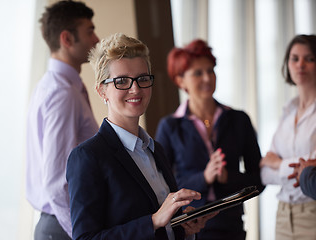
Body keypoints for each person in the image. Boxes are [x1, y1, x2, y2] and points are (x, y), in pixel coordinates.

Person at [66, 33, 217, 240]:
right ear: (102, 91)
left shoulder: (155, 149)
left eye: (143, 79)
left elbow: (162, 227)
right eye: (121, 81)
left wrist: (182, 226)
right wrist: (154, 221)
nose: (135, 88)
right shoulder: (87, 157)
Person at [155, 39, 264, 240]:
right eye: (198, 73)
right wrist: (203, 178)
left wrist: (227, 177)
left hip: (232, 228)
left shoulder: (239, 120)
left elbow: (259, 180)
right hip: (189, 228)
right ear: (180, 81)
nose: (207, 78)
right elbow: (161, 187)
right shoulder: (169, 127)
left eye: (211, 70)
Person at [26, 1, 99, 239]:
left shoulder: (52, 86)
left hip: (59, 224)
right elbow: (57, 181)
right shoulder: (62, 93)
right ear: (67, 39)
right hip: (63, 227)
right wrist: (82, 234)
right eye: (89, 31)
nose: (96, 39)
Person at [260, 34, 316, 239]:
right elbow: (265, 172)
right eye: (294, 58)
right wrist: (278, 165)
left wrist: (278, 163)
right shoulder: (288, 110)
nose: (300, 64)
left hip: (312, 214)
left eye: (309, 58)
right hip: (283, 215)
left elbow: (311, 171)